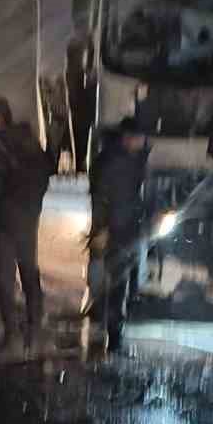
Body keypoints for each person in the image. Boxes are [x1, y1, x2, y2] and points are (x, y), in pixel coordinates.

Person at [0, 96, 50, 355]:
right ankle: (35, 329)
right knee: (29, 272)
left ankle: (12, 335)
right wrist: (31, 207)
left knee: (4, 279)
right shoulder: (29, 141)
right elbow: (44, 176)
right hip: (27, 219)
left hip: (3, 222)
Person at [87, 117, 150, 352]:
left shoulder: (129, 158)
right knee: (115, 281)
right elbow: (101, 197)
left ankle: (106, 323)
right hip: (115, 229)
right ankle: (113, 335)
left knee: (114, 278)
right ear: (128, 138)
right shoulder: (114, 161)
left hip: (126, 228)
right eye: (140, 137)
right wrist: (102, 228)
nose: (143, 141)